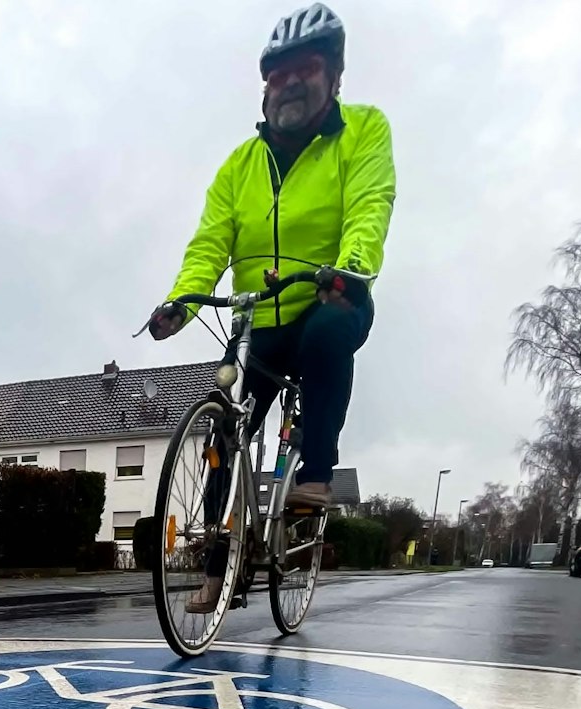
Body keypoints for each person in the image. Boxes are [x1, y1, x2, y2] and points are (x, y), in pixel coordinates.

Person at [145, 2, 394, 611]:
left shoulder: (362, 131)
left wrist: (352, 267)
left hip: (328, 297)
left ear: (333, 77)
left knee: (327, 336)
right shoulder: (240, 166)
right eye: (276, 77)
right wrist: (181, 297)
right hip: (259, 320)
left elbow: (371, 203)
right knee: (223, 435)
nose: (288, 86)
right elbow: (210, 242)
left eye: (303, 70)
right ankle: (217, 569)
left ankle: (314, 477)